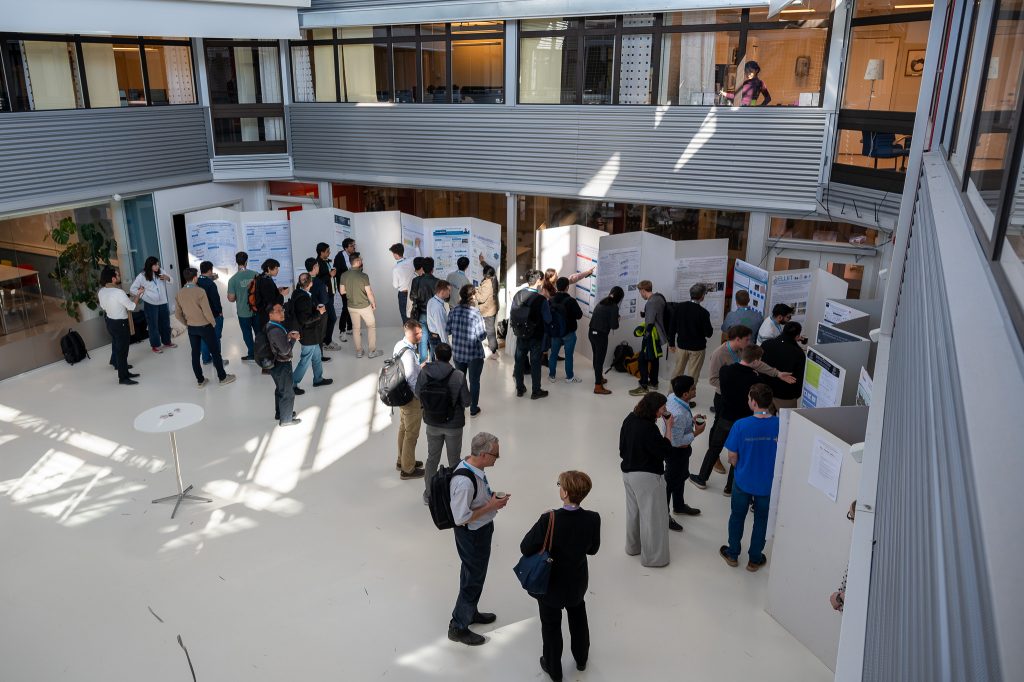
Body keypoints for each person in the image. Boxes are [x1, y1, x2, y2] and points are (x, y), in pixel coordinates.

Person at [521, 470, 601, 681]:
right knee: (578, 618)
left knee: (550, 625)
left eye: (559, 485)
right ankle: (581, 659)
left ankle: (554, 668)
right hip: (577, 583)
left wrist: (543, 521)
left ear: (565, 492)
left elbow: (525, 547)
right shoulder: (593, 518)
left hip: (550, 584)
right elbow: (593, 549)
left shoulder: (549, 518)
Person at [691, 325, 795, 486]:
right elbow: (713, 379)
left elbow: (755, 364)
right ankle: (729, 486)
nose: (750, 341)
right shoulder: (721, 355)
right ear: (737, 339)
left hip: (730, 408)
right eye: (747, 339)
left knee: (720, 444)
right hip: (727, 403)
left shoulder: (733, 366)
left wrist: (777, 373)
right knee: (731, 447)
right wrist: (733, 388)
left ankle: (705, 479)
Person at [447, 431, 508, 647]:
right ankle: (458, 626)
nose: (497, 458)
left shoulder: (475, 469)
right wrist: (490, 506)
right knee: (472, 579)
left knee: (474, 575)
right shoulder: (464, 483)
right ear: (483, 454)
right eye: (495, 455)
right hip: (472, 535)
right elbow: (460, 518)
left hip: (480, 530)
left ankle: (469, 611)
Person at [695, 345, 770, 495]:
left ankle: (702, 478)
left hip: (725, 416)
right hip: (743, 421)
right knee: (738, 452)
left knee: (714, 448)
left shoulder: (725, 371)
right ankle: (729, 487)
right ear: (756, 361)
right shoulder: (756, 379)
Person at [720, 383, 779, 571]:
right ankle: (754, 559)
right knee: (761, 520)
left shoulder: (741, 425)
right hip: (767, 484)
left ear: (753, 403)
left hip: (743, 481)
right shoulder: (780, 425)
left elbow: (732, 457)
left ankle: (733, 554)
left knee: (737, 517)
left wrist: (743, 467)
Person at [619, 392, 676, 567]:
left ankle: (633, 547)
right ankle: (654, 558)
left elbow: (622, 449)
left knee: (633, 513)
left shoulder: (629, 419)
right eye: (662, 408)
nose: (664, 412)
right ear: (653, 409)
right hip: (648, 478)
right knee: (654, 518)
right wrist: (669, 428)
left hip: (628, 475)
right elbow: (665, 451)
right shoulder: (649, 428)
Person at [417, 343, 471, 504]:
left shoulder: (425, 372)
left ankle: (429, 494)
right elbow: (467, 401)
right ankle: (455, 494)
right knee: (454, 460)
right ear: (450, 357)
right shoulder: (459, 376)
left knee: (432, 458)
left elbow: (417, 392)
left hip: (432, 423)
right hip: (453, 425)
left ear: (435, 355)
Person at [174, 267, 235, 388]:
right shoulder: (200, 291)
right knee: (215, 352)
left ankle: (200, 381)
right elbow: (207, 311)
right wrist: (213, 323)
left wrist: (187, 323)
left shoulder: (179, 293)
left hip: (192, 328)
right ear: (195, 278)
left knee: (195, 355)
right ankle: (222, 377)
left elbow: (177, 314)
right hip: (205, 326)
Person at [664, 375, 706, 518]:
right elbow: (676, 441)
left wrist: (691, 420)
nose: (695, 390)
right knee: (669, 483)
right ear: (685, 394)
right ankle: (665, 515)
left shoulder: (672, 397)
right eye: (693, 388)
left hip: (680, 451)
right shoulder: (679, 414)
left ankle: (679, 505)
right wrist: (696, 432)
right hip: (676, 452)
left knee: (681, 477)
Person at [98, 266, 143, 385]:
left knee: (119, 349)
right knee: (123, 351)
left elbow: (103, 306)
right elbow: (132, 307)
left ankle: (125, 372)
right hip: (121, 324)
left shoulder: (102, 291)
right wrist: (139, 294)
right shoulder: (118, 292)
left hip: (110, 322)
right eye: (117, 275)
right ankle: (123, 377)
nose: (119, 276)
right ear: (113, 279)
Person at [291, 272, 334, 394]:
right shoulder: (303, 298)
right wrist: (319, 313)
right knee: (305, 361)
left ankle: (318, 379)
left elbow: (303, 314)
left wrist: (315, 310)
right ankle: (292, 384)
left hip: (312, 335)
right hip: (308, 334)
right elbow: (305, 319)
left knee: (316, 358)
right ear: (311, 283)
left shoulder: (298, 293)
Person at [447, 285, 487, 416]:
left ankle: (460, 408)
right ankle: (473, 409)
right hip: (474, 354)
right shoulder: (476, 313)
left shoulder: (453, 311)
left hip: (458, 353)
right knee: (474, 381)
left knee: (460, 380)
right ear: (472, 297)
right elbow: (481, 336)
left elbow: (447, 330)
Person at [393, 320, 426, 480]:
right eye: (418, 333)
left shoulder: (399, 345)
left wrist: (419, 366)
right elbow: (412, 379)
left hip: (400, 394)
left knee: (403, 429)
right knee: (411, 434)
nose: (421, 335)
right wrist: (420, 397)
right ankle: (408, 469)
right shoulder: (409, 353)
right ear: (410, 333)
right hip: (410, 398)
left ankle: (403, 460)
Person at [511, 270, 551, 400]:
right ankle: (536, 391)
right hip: (536, 336)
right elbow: (548, 319)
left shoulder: (518, 295)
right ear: (539, 280)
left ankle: (520, 389)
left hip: (520, 333)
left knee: (519, 361)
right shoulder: (541, 299)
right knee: (535, 363)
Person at [266, 302, 302, 427]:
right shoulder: (275, 330)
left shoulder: (271, 326)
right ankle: (286, 419)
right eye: (278, 311)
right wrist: (293, 339)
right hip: (282, 364)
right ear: (270, 314)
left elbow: (277, 343)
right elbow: (285, 350)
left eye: (282, 310)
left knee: (280, 390)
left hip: (275, 364)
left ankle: (280, 413)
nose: (282, 312)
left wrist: (286, 336)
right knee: (287, 392)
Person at [629, 280, 668, 396]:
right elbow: (657, 314)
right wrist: (645, 314)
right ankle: (654, 383)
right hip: (661, 333)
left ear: (642, 290)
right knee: (654, 358)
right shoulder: (659, 298)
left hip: (652, 335)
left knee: (642, 359)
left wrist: (645, 336)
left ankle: (643, 386)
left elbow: (650, 323)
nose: (640, 295)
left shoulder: (650, 303)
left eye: (640, 292)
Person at [338, 253, 380, 359]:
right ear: (357, 261)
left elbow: (342, 291)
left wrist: (352, 291)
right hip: (364, 306)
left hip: (351, 306)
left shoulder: (344, 275)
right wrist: (373, 303)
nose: (362, 261)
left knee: (356, 328)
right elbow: (369, 292)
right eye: (360, 259)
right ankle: (372, 351)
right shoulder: (363, 276)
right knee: (371, 326)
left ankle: (359, 351)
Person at [670, 283, 713, 386]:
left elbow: (672, 326)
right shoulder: (703, 313)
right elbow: (709, 333)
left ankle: (671, 394)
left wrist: (671, 343)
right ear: (702, 297)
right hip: (697, 349)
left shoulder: (679, 307)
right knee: (693, 375)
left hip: (681, 346)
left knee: (677, 372)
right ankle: (687, 398)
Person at [130, 256, 175, 354]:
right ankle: (155, 345)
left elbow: (172, 281)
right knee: (153, 326)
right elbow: (132, 289)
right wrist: (143, 296)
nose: (157, 266)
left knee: (165, 324)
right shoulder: (142, 276)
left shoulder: (161, 271)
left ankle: (167, 342)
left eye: (158, 264)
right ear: (150, 266)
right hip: (151, 304)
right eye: (155, 265)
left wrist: (167, 278)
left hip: (163, 302)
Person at [761, 321, 806, 410]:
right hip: (786, 396)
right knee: (786, 422)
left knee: (765, 418)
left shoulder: (766, 344)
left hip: (764, 393)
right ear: (797, 336)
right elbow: (799, 377)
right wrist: (796, 395)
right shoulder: (799, 353)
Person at [548, 277, 584, 383]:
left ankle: (552, 376)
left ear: (556, 286)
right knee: (569, 356)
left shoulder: (551, 299)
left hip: (555, 332)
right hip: (568, 332)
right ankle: (569, 377)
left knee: (553, 354)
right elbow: (579, 315)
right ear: (567, 287)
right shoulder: (571, 301)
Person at [589, 286, 622, 395]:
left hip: (592, 332)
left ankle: (600, 378)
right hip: (601, 335)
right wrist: (617, 319)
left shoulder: (602, 302)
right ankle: (598, 386)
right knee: (600, 361)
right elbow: (614, 326)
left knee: (596, 357)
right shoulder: (613, 307)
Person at [226, 251, 257, 361]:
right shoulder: (255, 274)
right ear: (247, 261)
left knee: (247, 333)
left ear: (236, 262)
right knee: (259, 333)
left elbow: (231, 298)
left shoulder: (233, 279)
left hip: (243, 312)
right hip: (256, 310)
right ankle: (262, 353)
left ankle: (252, 354)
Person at [196, 261, 228, 368]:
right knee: (216, 337)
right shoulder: (211, 284)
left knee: (204, 337)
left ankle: (206, 359)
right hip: (213, 315)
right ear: (210, 270)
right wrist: (220, 312)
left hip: (201, 315)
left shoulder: (196, 281)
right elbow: (215, 300)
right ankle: (217, 360)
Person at [304, 258, 335, 358]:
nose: (319, 267)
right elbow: (325, 300)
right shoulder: (319, 282)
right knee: (320, 334)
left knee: (311, 333)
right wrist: (325, 291)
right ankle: (319, 356)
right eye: (317, 265)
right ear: (314, 267)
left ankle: (311, 354)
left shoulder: (303, 279)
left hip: (307, 313)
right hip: (319, 313)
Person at [410, 257, 440, 360]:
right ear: (433, 269)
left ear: (422, 268)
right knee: (434, 339)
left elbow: (412, 297)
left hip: (421, 313)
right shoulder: (437, 282)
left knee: (422, 339)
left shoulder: (416, 280)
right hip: (434, 315)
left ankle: (422, 363)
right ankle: (433, 361)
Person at [830, 501, 857, 612]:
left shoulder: (863, 549)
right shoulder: (858, 546)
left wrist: (840, 598)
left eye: (851, 517)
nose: (851, 521)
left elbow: (854, 600)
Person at [314, 242, 341, 350]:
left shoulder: (327, 261)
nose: (329, 253)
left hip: (331, 293)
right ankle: (326, 341)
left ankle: (326, 340)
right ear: (321, 252)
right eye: (327, 251)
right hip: (325, 296)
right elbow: (318, 280)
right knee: (332, 318)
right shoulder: (317, 263)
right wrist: (329, 275)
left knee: (329, 318)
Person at [253, 258, 287, 333]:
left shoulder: (262, 277)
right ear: (268, 268)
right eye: (275, 268)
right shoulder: (266, 281)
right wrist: (281, 294)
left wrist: (277, 290)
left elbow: (267, 294)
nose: (277, 270)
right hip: (266, 315)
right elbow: (272, 302)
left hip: (262, 313)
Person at [333, 237, 357, 338]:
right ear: (346, 248)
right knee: (346, 307)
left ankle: (350, 328)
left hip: (353, 285)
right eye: (351, 246)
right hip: (343, 285)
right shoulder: (339, 256)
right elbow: (336, 271)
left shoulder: (355, 255)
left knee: (351, 306)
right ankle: (342, 331)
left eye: (354, 245)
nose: (354, 247)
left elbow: (359, 267)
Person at [475, 261, 500, 356]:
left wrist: (475, 291)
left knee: (490, 330)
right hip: (492, 308)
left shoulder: (487, 284)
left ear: (485, 274)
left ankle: (493, 351)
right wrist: (482, 261)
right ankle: (493, 349)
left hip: (487, 310)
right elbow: (489, 267)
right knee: (491, 329)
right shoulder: (494, 278)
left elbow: (481, 298)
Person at [390, 242, 416, 324]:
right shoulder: (411, 260)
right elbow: (419, 256)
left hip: (403, 294)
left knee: (405, 316)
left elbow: (395, 285)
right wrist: (417, 246)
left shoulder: (396, 268)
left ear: (395, 254)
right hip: (413, 292)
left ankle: (408, 335)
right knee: (413, 314)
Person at [426, 280, 451, 360]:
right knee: (439, 362)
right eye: (449, 290)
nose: (449, 293)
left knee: (433, 359)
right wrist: (447, 345)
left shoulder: (431, 300)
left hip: (432, 335)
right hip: (438, 338)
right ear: (442, 291)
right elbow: (441, 329)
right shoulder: (438, 308)